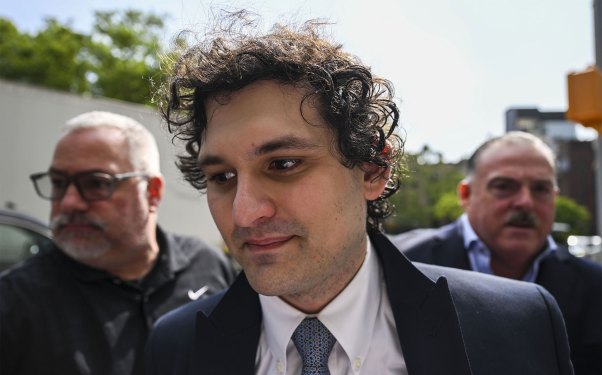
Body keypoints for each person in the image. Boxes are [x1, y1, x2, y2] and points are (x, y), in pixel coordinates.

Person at [144, 11, 573, 375]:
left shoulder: (516, 324)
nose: (243, 213)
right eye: (222, 176)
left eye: (283, 164)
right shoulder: (176, 346)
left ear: (372, 169)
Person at [0, 111, 237, 375]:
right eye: (58, 183)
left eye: (96, 184)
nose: (69, 202)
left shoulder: (207, 265)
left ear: (152, 192)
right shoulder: (15, 302)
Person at [390, 131, 602, 374]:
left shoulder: (595, 287)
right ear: (466, 195)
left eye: (540, 189)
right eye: (504, 186)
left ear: (555, 198)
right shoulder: (399, 265)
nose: (525, 202)